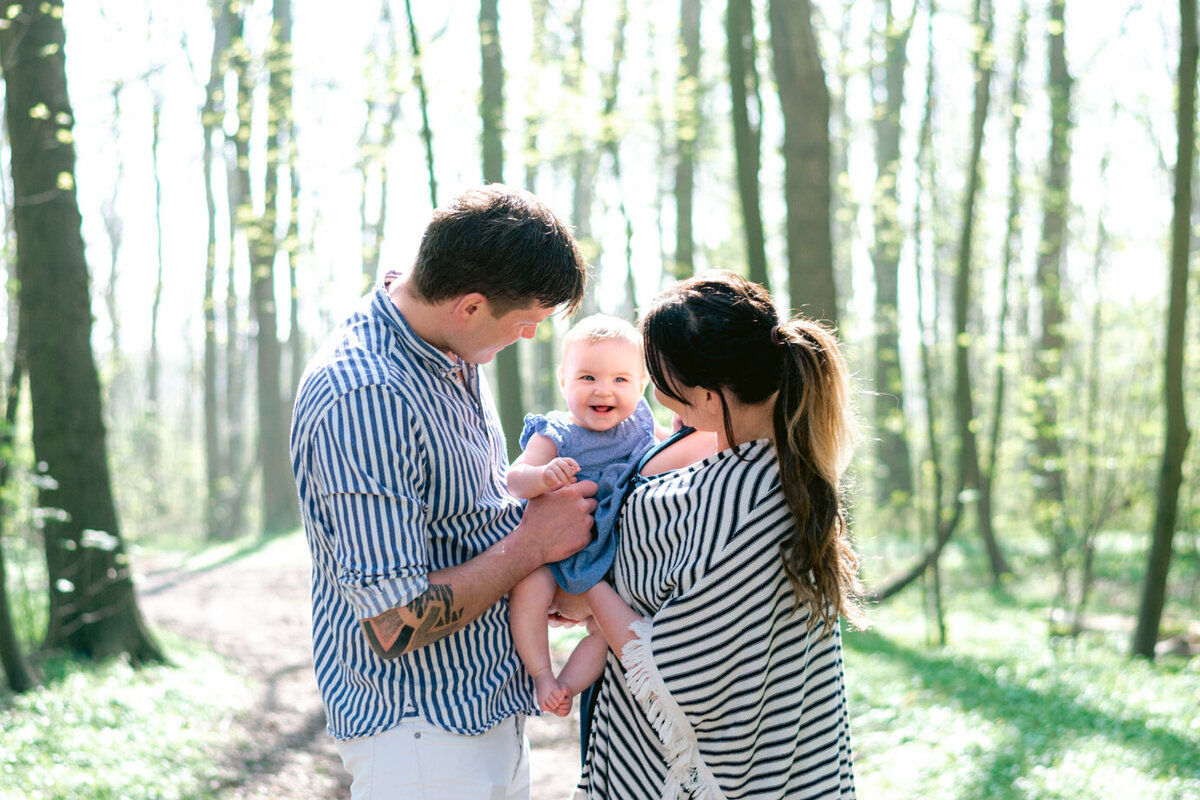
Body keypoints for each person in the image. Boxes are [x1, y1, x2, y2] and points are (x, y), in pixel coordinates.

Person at [289, 184, 599, 800]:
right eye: (525, 324)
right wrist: (532, 546)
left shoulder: (448, 346)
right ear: (470, 306)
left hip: (485, 710)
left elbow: (466, 514)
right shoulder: (366, 397)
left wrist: (545, 579)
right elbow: (395, 619)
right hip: (421, 739)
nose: (531, 336)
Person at [574, 271, 865, 800]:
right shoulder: (796, 465)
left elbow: (671, 672)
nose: (660, 402)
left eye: (666, 389)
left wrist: (581, 572)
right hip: (795, 761)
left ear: (710, 397)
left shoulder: (728, 499)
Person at [506, 314, 669, 717]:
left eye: (620, 380)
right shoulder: (556, 432)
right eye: (587, 378)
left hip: (607, 556)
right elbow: (514, 480)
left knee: (602, 630)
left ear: (641, 386)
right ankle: (542, 672)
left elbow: (671, 453)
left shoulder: (642, 425)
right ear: (563, 380)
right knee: (530, 587)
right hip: (556, 551)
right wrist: (543, 476)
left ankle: (566, 687)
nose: (603, 390)